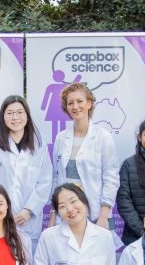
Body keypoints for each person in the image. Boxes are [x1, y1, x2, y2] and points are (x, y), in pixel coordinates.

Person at [0, 95, 52, 252]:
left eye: (20, 112)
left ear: (27, 115)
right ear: (3, 117)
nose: (15, 117)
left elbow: (45, 182)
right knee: (2, 262)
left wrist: (28, 210)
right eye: (10, 113)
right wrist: (2, 210)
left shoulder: (39, 146)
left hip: (29, 220)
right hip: (1, 217)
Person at [50, 82, 119, 230]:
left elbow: (111, 178)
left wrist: (103, 216)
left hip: (94, 215)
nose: (75, 106)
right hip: (67, 214)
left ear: (89, 103)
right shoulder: (61, 138)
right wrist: (53, 215)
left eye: (79, 101)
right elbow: (56, 179)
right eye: (70, 103)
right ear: (66, 108)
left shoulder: (103, 137)